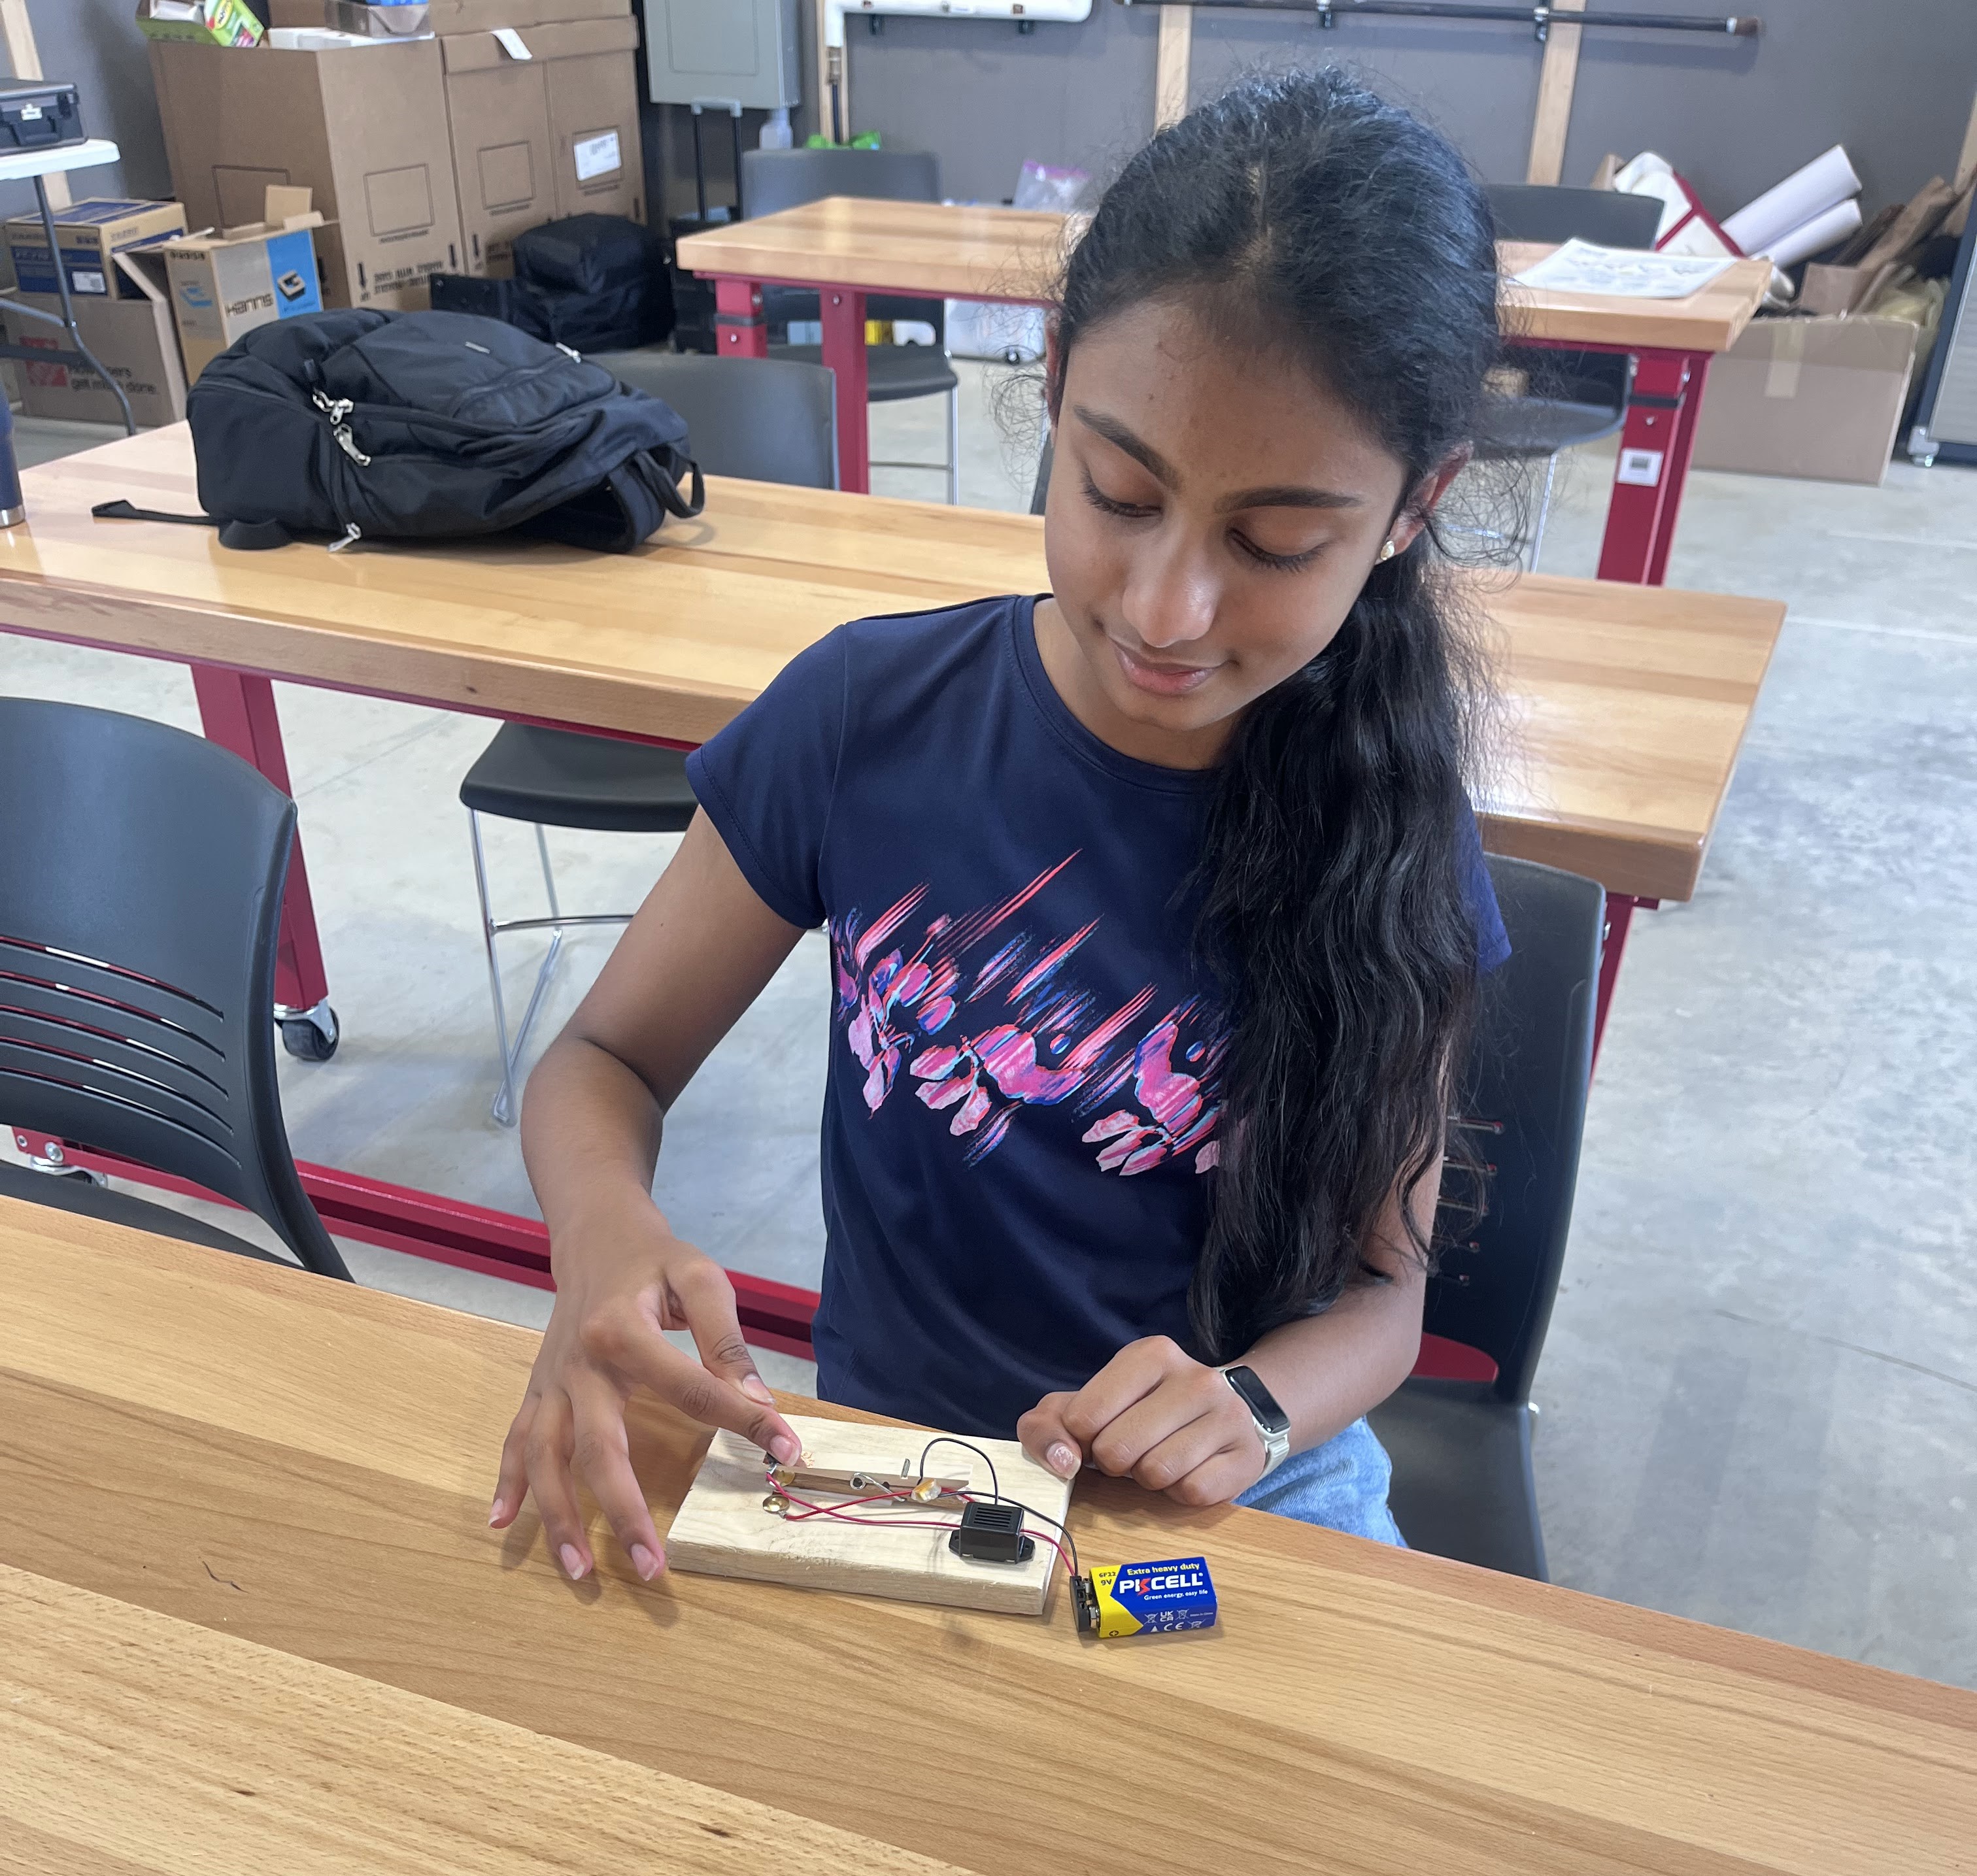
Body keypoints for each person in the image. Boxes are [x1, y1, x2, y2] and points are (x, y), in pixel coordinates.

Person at [488, 69, 1510, 1584]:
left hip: (1237, 1503)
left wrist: (1251, 1401)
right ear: (1048, 379)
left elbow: (1381, 1297)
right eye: (1116, 491)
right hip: (901, 1475)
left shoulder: (1390, 823)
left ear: (1414, 507)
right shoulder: (864, 721)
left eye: (1277, 543)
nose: (1168, 609)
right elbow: (602, 1060)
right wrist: (600, 1232)